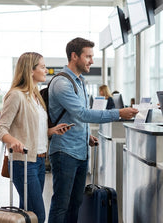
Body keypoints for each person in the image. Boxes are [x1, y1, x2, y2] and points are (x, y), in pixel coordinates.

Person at [48, 37, 138, 223]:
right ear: (74, 56)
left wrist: (86, 135)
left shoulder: (80, 82)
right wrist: (118, 113)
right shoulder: (62, 83)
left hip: (80, 151)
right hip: (65, 152)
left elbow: (74, 117)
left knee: (76, 202)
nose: (92, 61)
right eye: (88, 56)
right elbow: (82, 113)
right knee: (61, 204)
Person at [0, 52, 71, 222]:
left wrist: (51, 131)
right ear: (30, 70)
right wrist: (13, 141)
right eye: (42, 67)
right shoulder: (16, 95)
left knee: (27, 214)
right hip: (23, 163)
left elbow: (31, 129)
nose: (46, 70)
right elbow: (0, 129)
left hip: (39, 162)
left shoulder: (36, 96)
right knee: (38, 214)